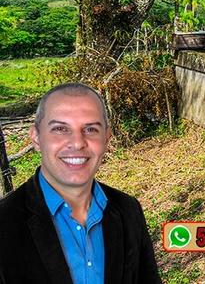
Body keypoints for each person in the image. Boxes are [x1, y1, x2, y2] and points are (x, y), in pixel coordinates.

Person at [0, 82, 161, 284]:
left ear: (106, 138)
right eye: (60, 128)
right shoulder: (4, 223)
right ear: (36, 138)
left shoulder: (129, 211)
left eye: (91, 129)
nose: (77, 143)